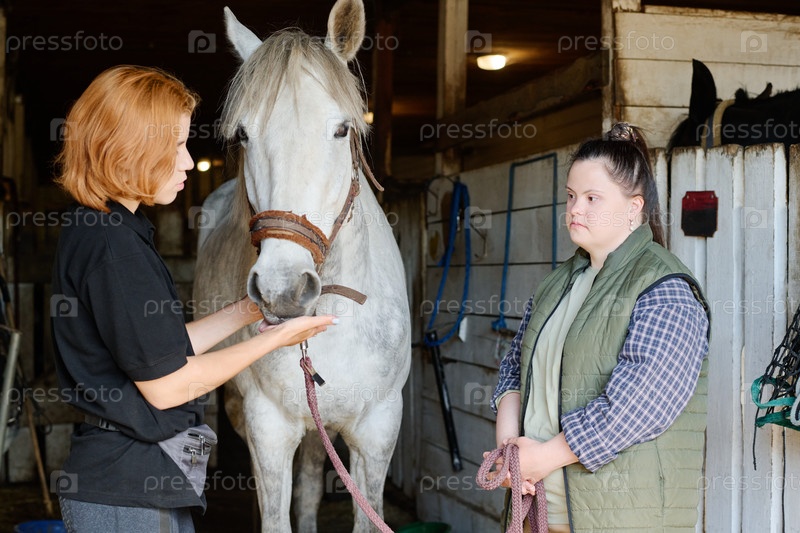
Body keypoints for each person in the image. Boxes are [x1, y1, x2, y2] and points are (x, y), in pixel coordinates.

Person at [50, 65, 336, 533]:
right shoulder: (113, 248)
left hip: (137, 481)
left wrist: (252, 308)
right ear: (129, 147)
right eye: (177, 145)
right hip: (128, 492)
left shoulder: (108, 229)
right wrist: (273, 340)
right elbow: (167, 385)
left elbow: (160, 350)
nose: (187, 161)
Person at [486, 123, 710, 532]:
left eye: (592, 198)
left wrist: (541, 459)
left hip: (620, 519)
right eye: (571, 196)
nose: (575, 209)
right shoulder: (556, 284)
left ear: (634, 207)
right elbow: (514, 369)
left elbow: (638, 406)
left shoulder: (665, 288)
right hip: (538, 510)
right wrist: (510, 455)